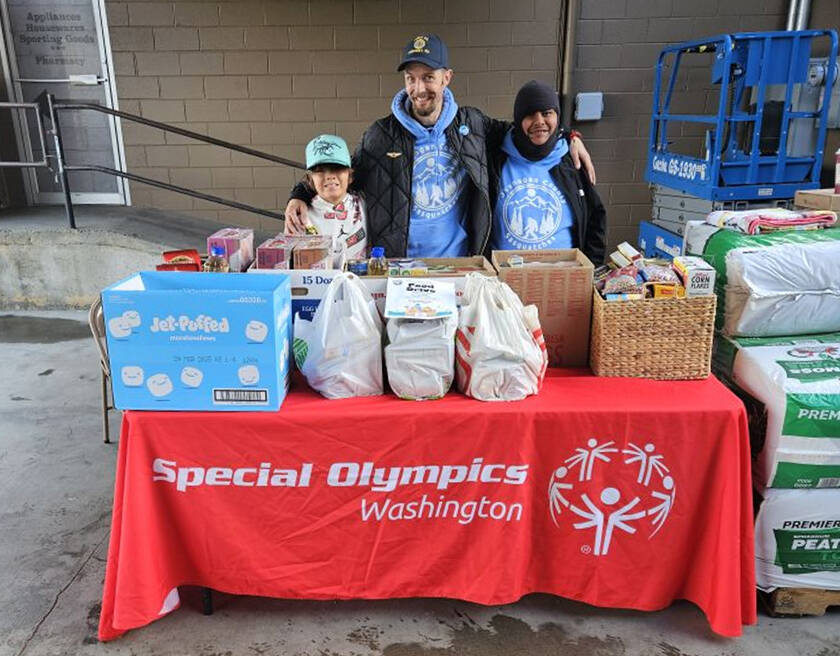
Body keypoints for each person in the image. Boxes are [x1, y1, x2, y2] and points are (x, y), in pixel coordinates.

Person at [285, 33, 595, 258]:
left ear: (446, 78)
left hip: (459, 264)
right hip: (399, 265)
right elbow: (343, 176)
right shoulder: (380, 135)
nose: (419, 89)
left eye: (428, 77)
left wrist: (569, 136)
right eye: (411, 79)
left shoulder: (472, 125)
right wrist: (300, 193)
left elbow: (526, 131)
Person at [490, 80, 606, 264]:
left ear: (557, 116)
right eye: (530, 115)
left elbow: (595, 221)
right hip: (505, 281)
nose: (539, 121)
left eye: (546, 113)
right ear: (519, 119)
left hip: (563, 280)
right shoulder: (495, 158)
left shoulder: (571, 161)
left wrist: (593, 272)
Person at [289, 134, 367, 264]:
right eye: (320, 170)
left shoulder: (365, 203)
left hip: (360, 280)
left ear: (350, 175)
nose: (330, 176)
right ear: (310, 179)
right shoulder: (300, 214)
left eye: (337, 168)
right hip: (317, 282)